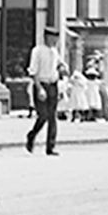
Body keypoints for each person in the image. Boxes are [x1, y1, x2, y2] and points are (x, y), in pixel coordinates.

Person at [24, 26, 67, 155]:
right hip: (41, 84)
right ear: (47, 38)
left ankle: (50, 146)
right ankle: (32, 135)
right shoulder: (37, 51)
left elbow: (59, 64)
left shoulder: (55, 52)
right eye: (53, 38)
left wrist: (62, 69)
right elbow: (33, 72)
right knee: (43, 115)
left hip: (53, 84)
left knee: (52, 117)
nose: (55, 41)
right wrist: (39, 88)